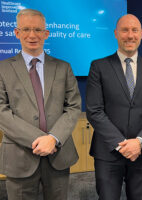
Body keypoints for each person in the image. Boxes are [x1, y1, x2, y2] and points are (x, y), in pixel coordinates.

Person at [0, 9, 81, 200]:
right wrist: (39, 139)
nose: (32, 35)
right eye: (26, 29)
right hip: (19, 156)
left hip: (58, 155)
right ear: (16, 33)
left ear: (46, 34)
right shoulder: (2, 69)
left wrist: (53, 138)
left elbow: (73, 107)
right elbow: (1, 111)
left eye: (38, 29)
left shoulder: (63, 67)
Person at [86, 14, 142, 200]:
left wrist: (139, 142)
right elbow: (94, 111)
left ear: (141, 34)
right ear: (115, 33)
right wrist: (121, 145)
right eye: (125, 30)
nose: (130, 35)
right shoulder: (99, 67)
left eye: (134, 30)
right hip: (108, 152)